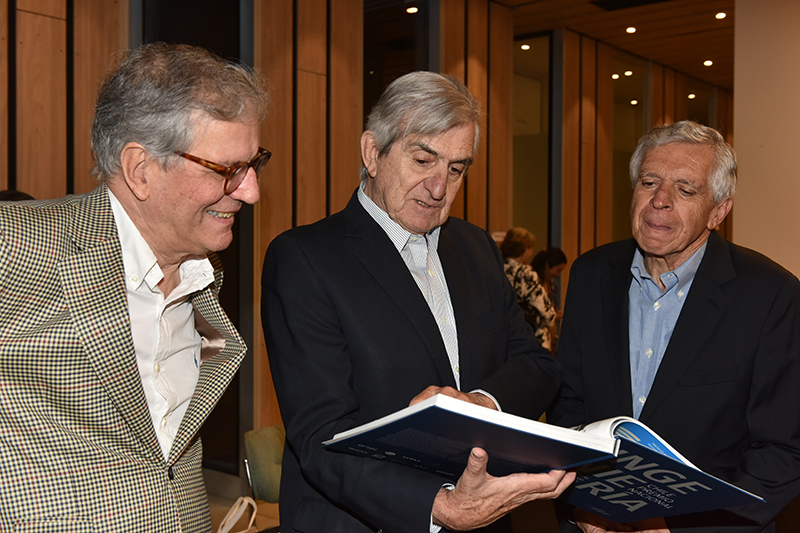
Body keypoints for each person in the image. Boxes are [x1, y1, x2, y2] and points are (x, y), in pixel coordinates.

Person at [262, 71, 575, 533]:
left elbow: (537, 365)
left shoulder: (475, 247)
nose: (439, 187)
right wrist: (438, 506)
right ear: (373, 153)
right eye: (423, 159)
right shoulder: (305, 258)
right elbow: (322, 438)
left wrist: (481, 404)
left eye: (456, 169)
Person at [0, 43, 270, 531]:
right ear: (140, 169)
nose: (251, 191)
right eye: (228, 170)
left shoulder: (203, 278)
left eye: (254, 164)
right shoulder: (19, 241)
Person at [548, 120, 800, 532]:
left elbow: (783, 450)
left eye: (685, 190)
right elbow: (569, 405)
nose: (660, 200)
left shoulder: (770, 294)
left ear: (718, 211)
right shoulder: (591, 274)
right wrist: (583, 503)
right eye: (649, 182)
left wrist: (675, 526)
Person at [500, 227, 557, 352]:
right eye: (531, 248)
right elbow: (543, 306)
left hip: (505, 334)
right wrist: (553, 330)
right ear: (524, 248)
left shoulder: (497, 268)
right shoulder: (525, 273)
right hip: (530, 335)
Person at [532, 247, 567, 352]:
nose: (558, 275)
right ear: (547, 265)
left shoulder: (551, 285)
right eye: (558, 270)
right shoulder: (533, 284)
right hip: (536, 335)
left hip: (549, 337)